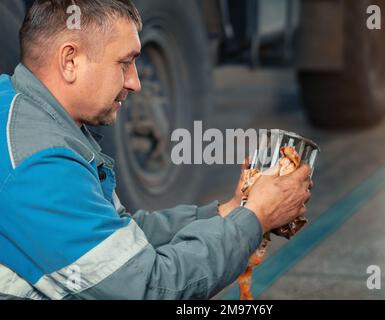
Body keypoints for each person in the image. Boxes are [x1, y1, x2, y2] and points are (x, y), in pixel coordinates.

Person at [0, 0, 312, 300]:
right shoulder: (41, 165)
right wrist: (255, 217)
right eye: (124, 63)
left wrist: (229, 212)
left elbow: (113, 239)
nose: (135, 82)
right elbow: (149, 288)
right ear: (70, 61)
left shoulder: (20, 106)